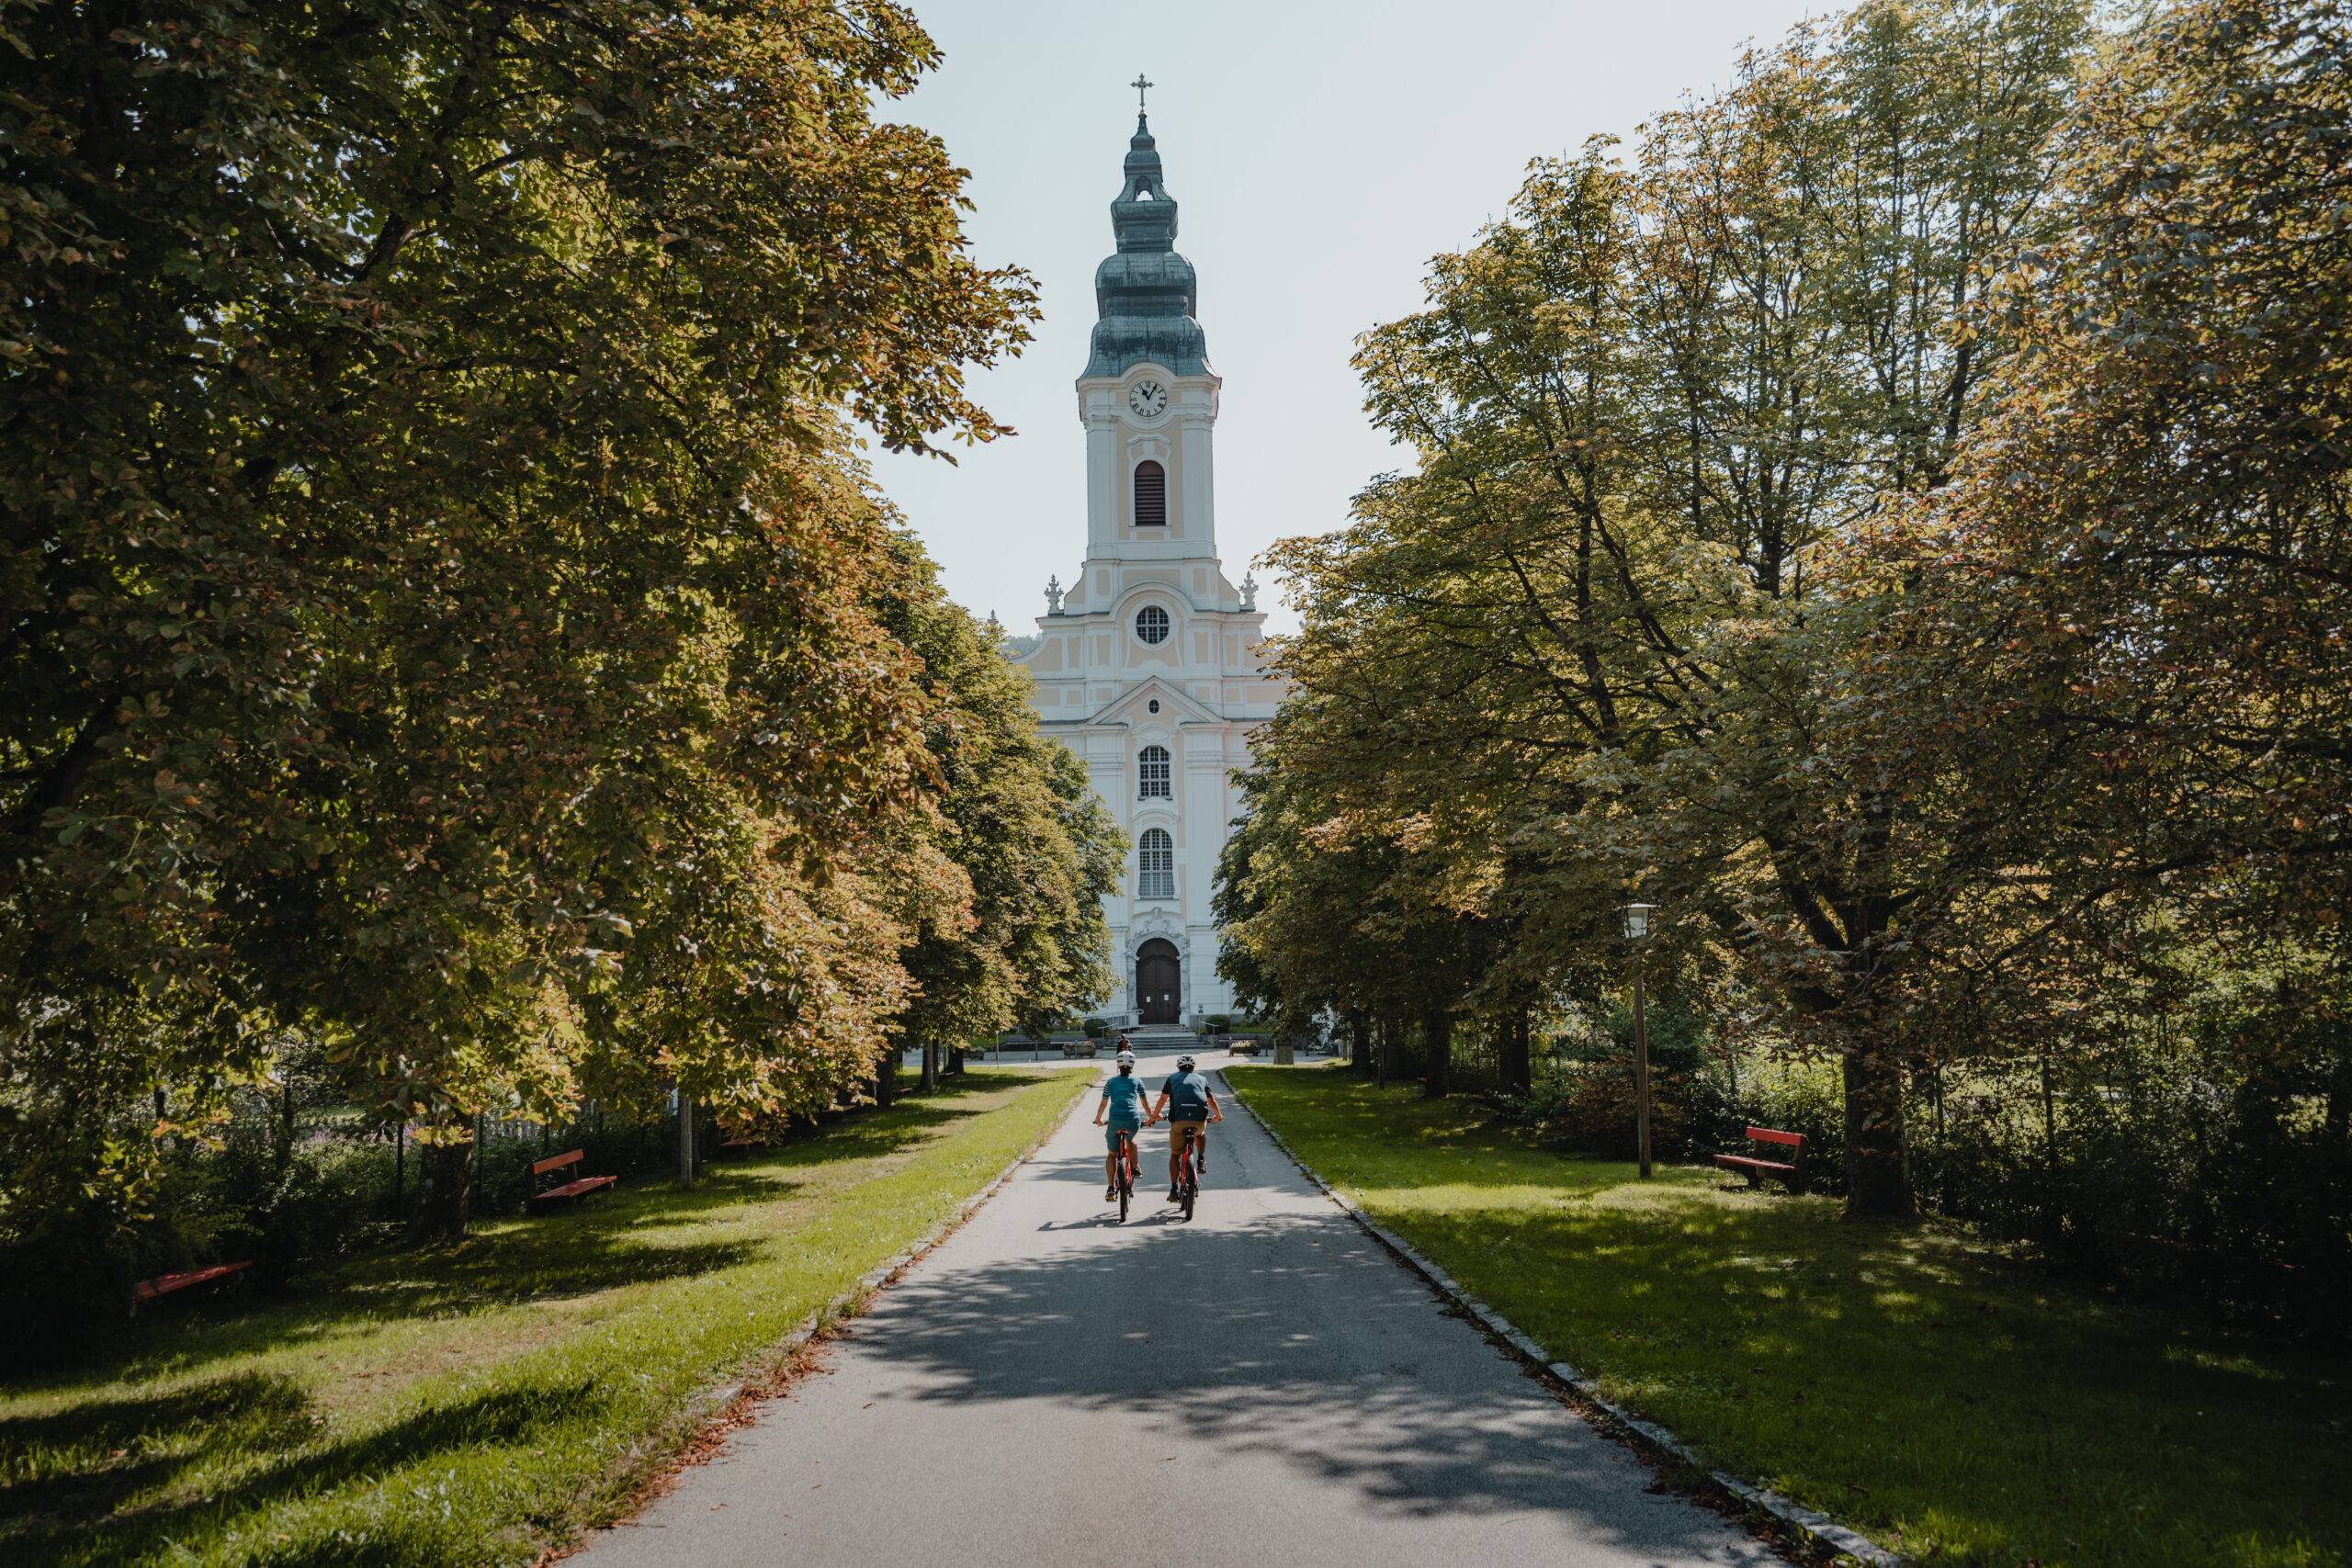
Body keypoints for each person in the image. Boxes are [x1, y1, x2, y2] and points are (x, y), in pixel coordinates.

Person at [1151, 1054, 1221, 1202]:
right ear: (1194, 1068)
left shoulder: (1171, 1079)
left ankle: (1174, 1189)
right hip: (1199, 1120)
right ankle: (1201, 1159)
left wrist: (1155, 1115)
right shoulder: (1202, 1079)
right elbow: (1210, 1099)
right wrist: (1218, 1115)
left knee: (1175, 1154)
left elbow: (1163, 1098)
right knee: (1200, 1133)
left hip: (1179, 1121)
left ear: (1178, 1067)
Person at [1093, 1049, 1152, 1201]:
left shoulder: (1110, 1082)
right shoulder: (1138, 1082)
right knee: (1131, 1140)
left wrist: (1098, 1119)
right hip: (1132, 1120)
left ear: (1118, 1066)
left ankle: (1110, 1188)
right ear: (1133, 1066)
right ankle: (1135, 1168)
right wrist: (1151, 1118)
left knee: (1112, 1154)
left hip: (1114, 1120)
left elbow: (1104, 1102)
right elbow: (1145, 1103)